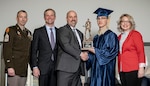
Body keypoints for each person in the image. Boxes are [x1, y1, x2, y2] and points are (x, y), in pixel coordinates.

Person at [86, 7, 119, 86]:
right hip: (95, 70)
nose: (100, 20)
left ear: (107, 20)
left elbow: (113, 52)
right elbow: (92, 56)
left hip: (106, 70)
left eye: (103, 18)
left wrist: (95, 51)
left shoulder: (111, 35)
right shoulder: (96, 37)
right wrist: (86, 56)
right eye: (98, 18)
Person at [56, 10, 88, 86]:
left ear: (77, 19)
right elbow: (66, 45)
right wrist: (81, 54)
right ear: (66, 18)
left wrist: (86, 53)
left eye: (75, 17)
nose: (73, 19)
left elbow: (81, 48)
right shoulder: (62, 30)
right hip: (65, 69)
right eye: (70, 17)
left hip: (77, 70)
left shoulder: (80, 33)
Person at [3, 10, 32, 86]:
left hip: (23, 68)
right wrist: (9, 66)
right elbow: (7, 49)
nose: (23, 19)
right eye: (21, 17)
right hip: (14, 67)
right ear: (17, 18)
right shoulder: (11, 30)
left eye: (25, 17)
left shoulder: (28, 33)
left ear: (27, 19)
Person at [30, 8, 57, 86]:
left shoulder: (59, 32)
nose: (49, 17)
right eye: (47, 15)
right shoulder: (38, 32)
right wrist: (34, 67)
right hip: (42, 68)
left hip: (56, 68)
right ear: (44, 17)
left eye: (51, 15)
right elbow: (33, 50)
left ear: (55, 17)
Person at [117, 14, 146, 86]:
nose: (125, 23)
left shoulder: (135, 34)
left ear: (131, 23)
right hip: (122, 69)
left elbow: (141, 52)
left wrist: (141, 68)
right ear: (120, 23)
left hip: (133, 69)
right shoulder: (119, 37)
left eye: (127, 21)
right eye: (123, 21)